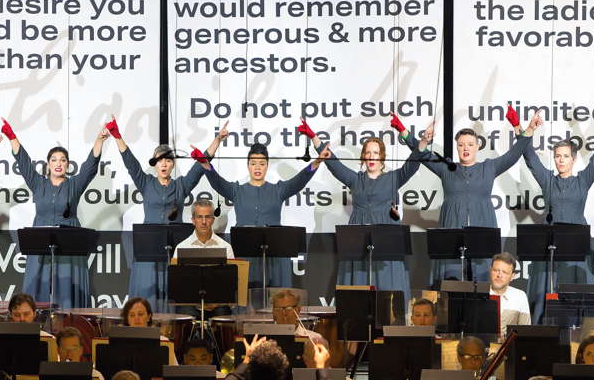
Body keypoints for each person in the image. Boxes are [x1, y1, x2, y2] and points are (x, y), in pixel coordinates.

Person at [401, 112, 536, 282]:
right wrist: (404, 130)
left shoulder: (489, 167)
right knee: (451, 283)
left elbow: (514, 153)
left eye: (470, 144)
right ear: (457, 147)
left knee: (482, 283)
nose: (466, 148)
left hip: (482, 234)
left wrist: (527, 128)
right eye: (461, 144)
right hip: (452, 234)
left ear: (478, 146)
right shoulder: (446, 167)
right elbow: (422, 154)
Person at [520, 97, 594, 318]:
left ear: (574, 159)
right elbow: (530, 158)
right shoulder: (548, 180)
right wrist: (525, 131)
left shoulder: (582, 180)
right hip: (551, 243)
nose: (560, 160)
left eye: (565, 156)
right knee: (548, 292)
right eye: (557, 156)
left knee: (576, 291)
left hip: (576, 241)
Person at [202, 131, 329, 288]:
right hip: (245, 253)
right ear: (248, 165)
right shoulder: (237, 191)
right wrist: (205, 163)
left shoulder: (278, 190)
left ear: (267, 166)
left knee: (276, 299)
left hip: (275, 255)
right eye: (253, 163)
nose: (257, 168)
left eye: (262, 164)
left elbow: (299, 181)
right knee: (246, 300)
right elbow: (216, 181)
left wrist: (317, 162)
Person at [323, 115, 425, 305]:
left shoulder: (394, 178)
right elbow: (333, 163)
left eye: (376, 152)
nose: (371, 156)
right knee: (358, 289)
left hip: (386, 236)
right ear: (363, 156)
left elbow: (412, 163)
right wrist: (314, 138)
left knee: (387, 286)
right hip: (357, 237)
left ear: (382, 156)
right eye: (368, 152)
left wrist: (423, 143)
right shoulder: (355, 179)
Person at [5, 117, 105, 309]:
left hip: (68, 241)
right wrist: (12, 137)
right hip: (40, 239)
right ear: (48, 164)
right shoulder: (38, 183)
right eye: (54, 160)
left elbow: (90, 167)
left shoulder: (74, 185)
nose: (58, 163)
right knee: (37, 286)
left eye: (63, 160)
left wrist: (99, 140)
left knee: (67, 288)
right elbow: (24, 163)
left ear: (67, 164)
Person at [115, 117, 211, 307]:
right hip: (148, 249)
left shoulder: (181, 186)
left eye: (168, 160)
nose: (164, 164)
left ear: (173, 164)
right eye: (159, 161)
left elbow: (200, 166)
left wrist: (217, 140)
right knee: (145, 298)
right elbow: (131, 163)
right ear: (154, 164)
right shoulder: (146, 183)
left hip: (173, 248)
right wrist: (117, 136)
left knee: (172, 297)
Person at [271, 288, 328, 367]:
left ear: (298, 309)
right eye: (279, 309)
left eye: (288, 308)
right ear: (273, 312)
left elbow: (323, 371)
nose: (284, 313)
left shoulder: (314, 339)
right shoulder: (265, 340)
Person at [489, 252, 530, 337]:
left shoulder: (520, 296)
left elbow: (525, 332)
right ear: (490, 271)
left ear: (512, 276)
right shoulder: (478, 293)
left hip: (509, 348)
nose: (499, 275)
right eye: (496, 270)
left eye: (504, 272)